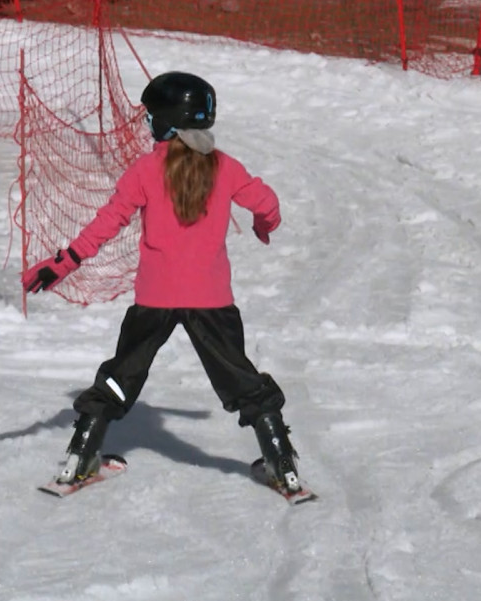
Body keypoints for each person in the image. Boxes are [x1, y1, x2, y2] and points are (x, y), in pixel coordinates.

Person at [22, 71, 302, 493]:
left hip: (154, 300)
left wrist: (63, 264)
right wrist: (265, 224)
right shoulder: (226, 167)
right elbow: (269, 204)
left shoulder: (145, 170)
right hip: (211, 301)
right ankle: (282, 463)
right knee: (241, 380)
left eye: (151, 115)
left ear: (165, 121)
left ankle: (79, 457)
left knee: (121, 375)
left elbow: (107, 223)